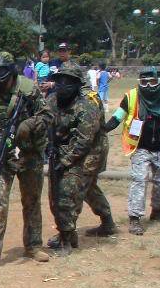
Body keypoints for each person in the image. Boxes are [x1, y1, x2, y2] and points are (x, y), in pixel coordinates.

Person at [0, 51, 50, 271]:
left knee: (32, 201)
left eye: (2, 73)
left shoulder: (28, 89)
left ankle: (34, 246)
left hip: (30, 154)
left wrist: (30, 124)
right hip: (4, 157)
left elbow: (47, 116)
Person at [41, 64, 112, 256]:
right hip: (63, 149)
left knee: (69, 191)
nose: (63, 86)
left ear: (77, 85)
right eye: (60, 81)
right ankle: (107, 221)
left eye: (68, 82)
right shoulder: (52, 100)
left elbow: (83, 141)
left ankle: (67, 237)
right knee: (84, 189)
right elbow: (43, 122)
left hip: (90, 152)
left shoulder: (86, 105)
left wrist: (64, 162)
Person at [103, 66, 160, 235]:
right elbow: (117, 117)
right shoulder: (132, 96)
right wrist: (101, 130)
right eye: (144, 82)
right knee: (139, 180)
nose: (148, 86)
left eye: (152, 82)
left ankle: (157, 212)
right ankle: (135, 218)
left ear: (158, 81)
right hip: (141, 148)